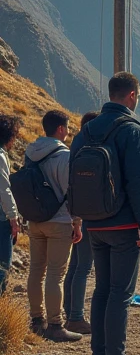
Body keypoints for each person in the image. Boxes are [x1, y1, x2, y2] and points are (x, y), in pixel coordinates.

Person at [70, 72, 140, 355]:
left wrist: (78, 219)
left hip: (94, 224)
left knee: (102, 290)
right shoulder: (131, 129)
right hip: (125, 224)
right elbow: (138, 181)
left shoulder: (86, 130)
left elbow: (73, 179)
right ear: (132, 94)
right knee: (121, 294)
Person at [25, 109, 83, 342]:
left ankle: (37, 321)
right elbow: (72, 192)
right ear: (60, 129)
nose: (68, 132)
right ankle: (56, 325)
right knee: (56, 275)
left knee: (36, 271)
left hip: (35, 220)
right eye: (67, 127)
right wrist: (77, 222)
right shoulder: (65, 156)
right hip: (59, 221)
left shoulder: (31, 153)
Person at [63, 111, 98, 332]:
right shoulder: (89, 153)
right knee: (83, 267)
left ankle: (70, 312)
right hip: (84, 217)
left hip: (69, 215)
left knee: (74, 266)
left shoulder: (74, 149)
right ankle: (76, 316)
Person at [0, 115, 20, 295]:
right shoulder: (0, 156)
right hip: (1, 219)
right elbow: (4, 188)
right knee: (3, 265)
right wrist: (13, 217)